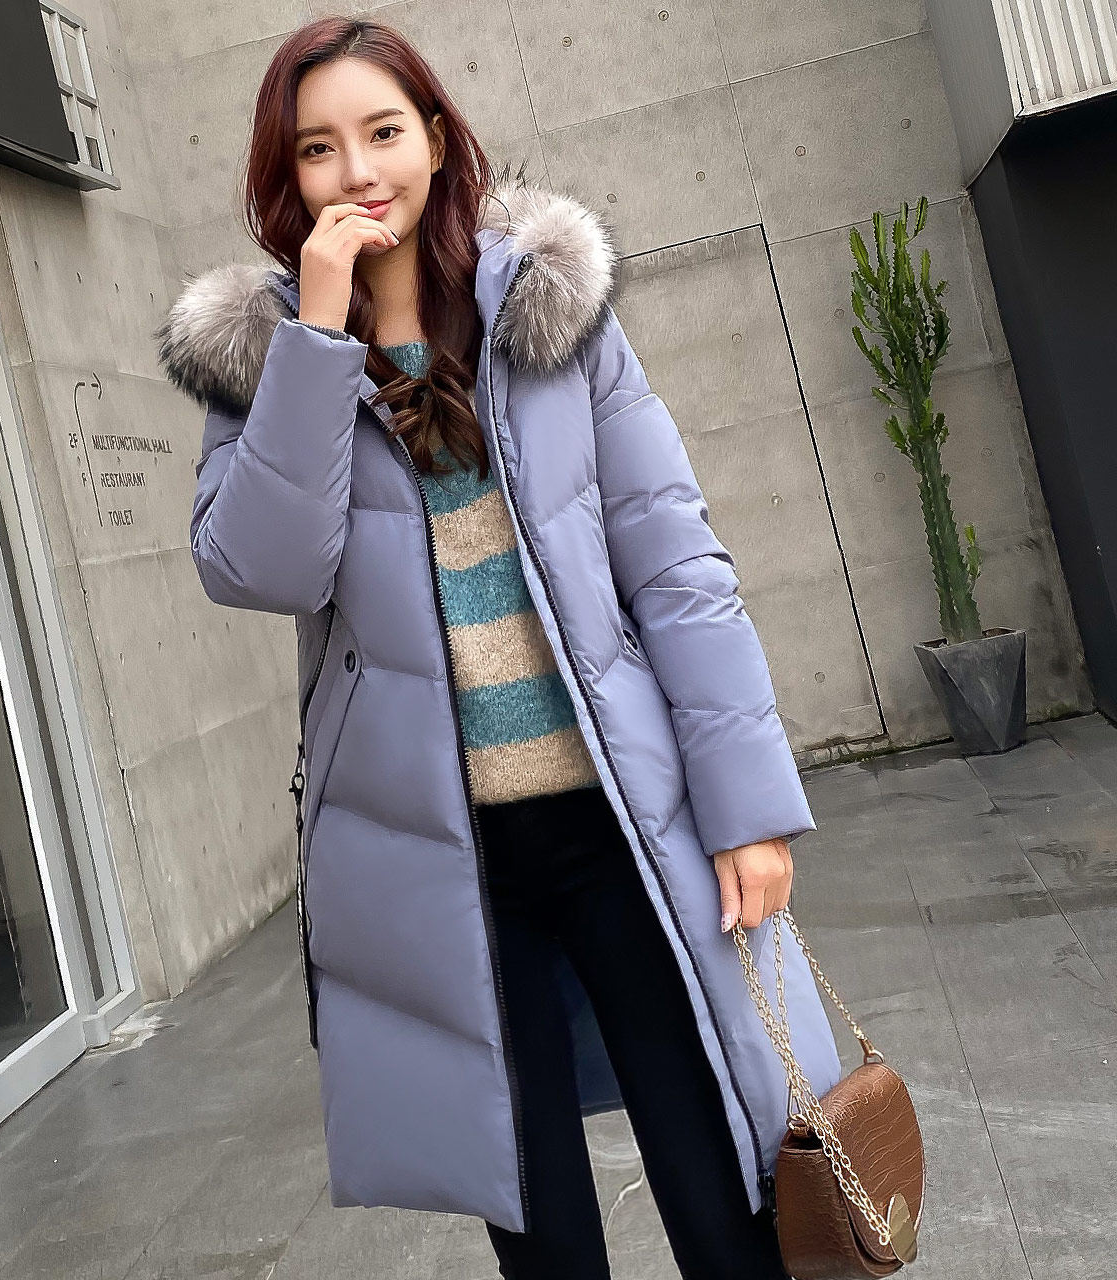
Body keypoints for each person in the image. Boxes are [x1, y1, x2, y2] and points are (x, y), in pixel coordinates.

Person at [156, 15, 843, 1278]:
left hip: (620, 821)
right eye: (318, 147)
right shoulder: (264, 359)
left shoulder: (545, 311)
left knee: (720, 1183)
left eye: (382, 131)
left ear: (434, 137)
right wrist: (316, 339)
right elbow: (259, 568)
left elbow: (673, 563)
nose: (358, 171)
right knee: (540, 1232)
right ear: (285, 174)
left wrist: (746, 807)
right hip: (443, 856)